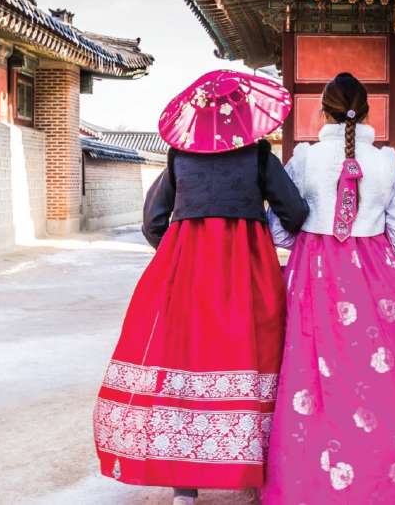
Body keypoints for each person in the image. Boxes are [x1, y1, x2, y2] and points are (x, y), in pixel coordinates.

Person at [92, 71, 308, 505]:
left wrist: (176, 249)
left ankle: (184, 488)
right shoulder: (260, 156)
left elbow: (153, 221)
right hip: (247, 268)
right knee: (252, 355)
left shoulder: (178, 157)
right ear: (245, 117)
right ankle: (251, 475)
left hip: (185, 265)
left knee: (183, 359)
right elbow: (296, 213)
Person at [261, 73, 395, 504]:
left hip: (315, 275)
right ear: (368, 111)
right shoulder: (386, 161)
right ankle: (392, 478)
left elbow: (280, 232)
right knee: (385, 374)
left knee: (312, 374)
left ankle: (314, 479)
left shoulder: (303, 160)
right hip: (376, 275)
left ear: (322, 111)